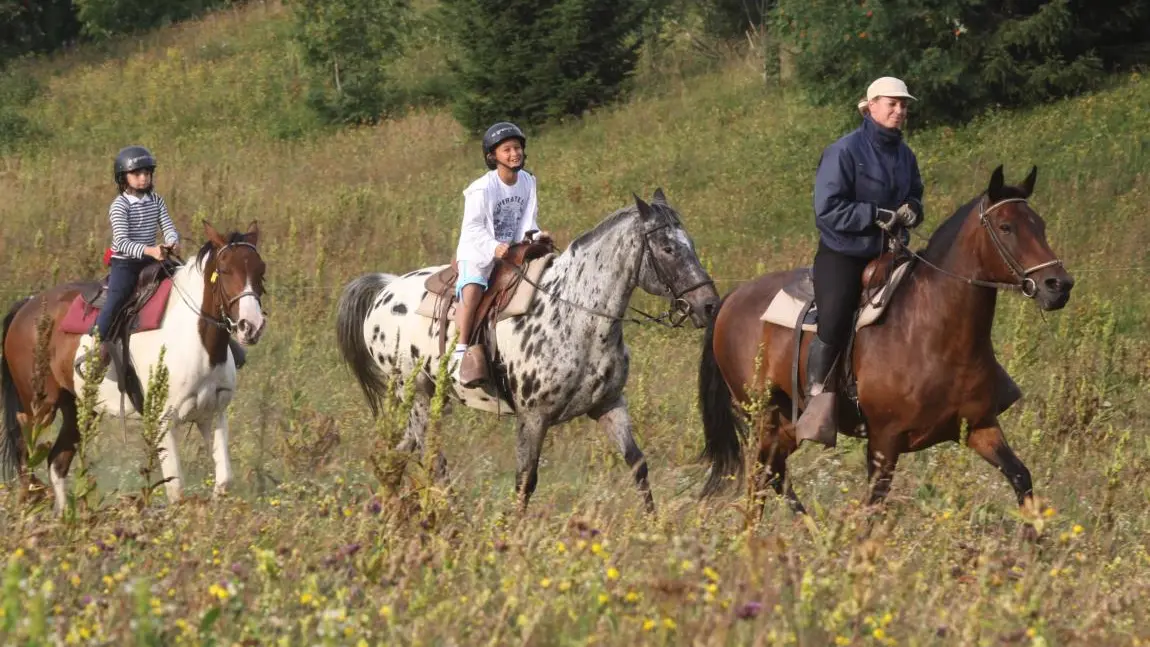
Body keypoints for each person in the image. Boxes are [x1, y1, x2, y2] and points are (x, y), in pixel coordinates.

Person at [452, 122, 550, 387]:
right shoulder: (482, 189)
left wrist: (537, 236)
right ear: (492, 156)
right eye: (506, 150)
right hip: (479, 248)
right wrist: (492, 246)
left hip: (512, 248)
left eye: (517, 148)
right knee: (472, 288)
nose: (514, 153)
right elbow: (472, 227)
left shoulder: (528, 181)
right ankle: (460, 353)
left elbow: (529, 220)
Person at [76, 146, 180, 374]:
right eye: (137, 174)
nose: (143, 178)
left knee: (184, 279)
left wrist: (172, 240)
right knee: (117, 297)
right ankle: (96, 346)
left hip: (153, 257)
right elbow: (121, 242)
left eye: (147, 173)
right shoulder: (119, 206)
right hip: (126, 262)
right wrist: (150, 251)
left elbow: (168, 225)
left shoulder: (156, 200)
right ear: (124, 178)